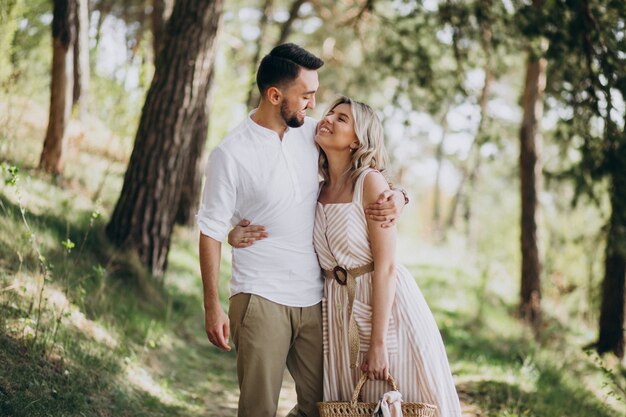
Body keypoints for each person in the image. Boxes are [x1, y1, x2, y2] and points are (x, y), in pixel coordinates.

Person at [197, 44, 405, 417]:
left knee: (322, 407)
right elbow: (209, 230)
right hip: (260, 295)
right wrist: (212, 305)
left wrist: (401, 197)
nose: (313, 105)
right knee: (258, 408)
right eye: (306, 96)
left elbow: (368, 167)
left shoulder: (313, 135)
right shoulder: (230, 154)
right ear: (275, 95)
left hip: (316, 299)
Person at [314, 97, 461, 417]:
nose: (328, 119)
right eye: (330, 113)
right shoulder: (317, 187)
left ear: (357, 139)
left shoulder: (369, 182)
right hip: (337, 311)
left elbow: (386, 266)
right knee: (354, 405)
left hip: (382, 307)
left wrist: (378, 342)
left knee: (398, 400)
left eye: (342, 119)